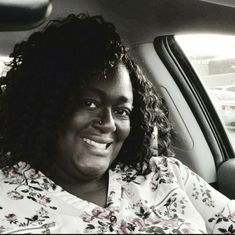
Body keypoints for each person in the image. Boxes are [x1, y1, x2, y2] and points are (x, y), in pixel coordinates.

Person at [0, 13, 234, 234]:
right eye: (89, 103)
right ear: (45, 105)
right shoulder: (6, 198)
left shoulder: (164, 174)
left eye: (122, 111)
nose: (109, 124)